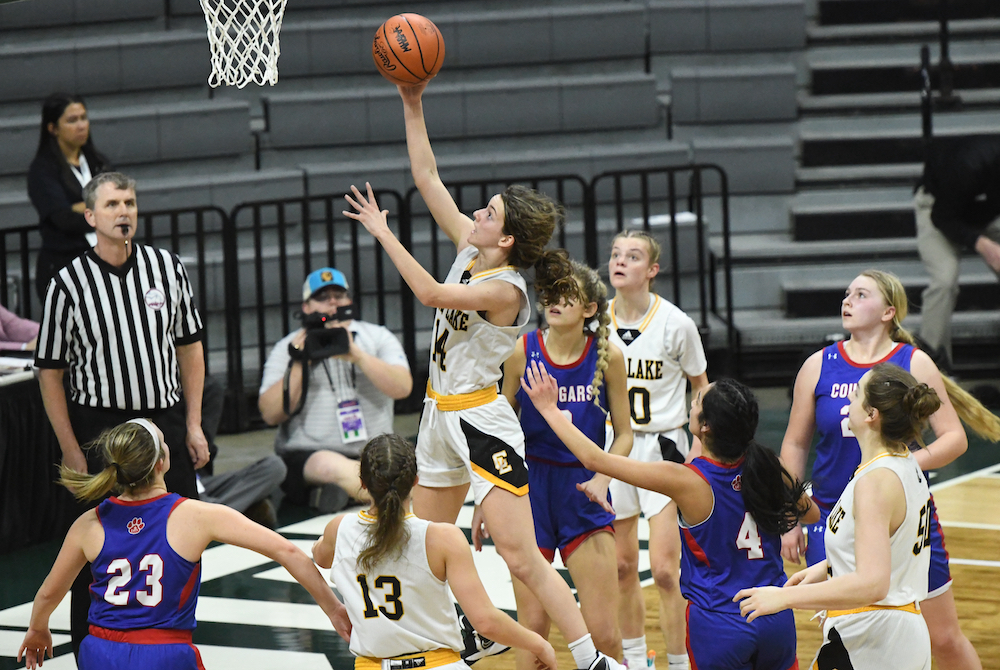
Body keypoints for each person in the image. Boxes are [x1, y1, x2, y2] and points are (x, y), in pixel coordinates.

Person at [342, 80, 623, 670]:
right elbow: (427, 178)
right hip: (437, 414)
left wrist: (383, 232)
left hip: (480, 419)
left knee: (523, 559)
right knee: (420, 541)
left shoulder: (505, 288)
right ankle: (468, 632)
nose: (476, 212)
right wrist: (411, 101)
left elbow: (425, 292)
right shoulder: (473, 250)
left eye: (488, 212)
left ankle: (593, 658)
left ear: (509, 237)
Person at [520, 364, 813, 670]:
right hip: (775, 616)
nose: (692, 402)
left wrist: (549, 409)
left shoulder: (687, 481)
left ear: (706, 427)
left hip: (721, 622)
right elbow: (811, 512)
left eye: (697, 400)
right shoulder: (768, 467)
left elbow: (595, 459)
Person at [780, 269, 1000, 670]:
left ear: (888, 311)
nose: (847, 300)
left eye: (861, 294)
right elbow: (795, 443)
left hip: (900, 516)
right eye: (847, 293)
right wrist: (789, 516)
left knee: (944, 636)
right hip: (834, 515)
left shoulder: (911, 361)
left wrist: (896, 468)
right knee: (846, 632)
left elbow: (954, 438)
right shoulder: (819, 364)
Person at [34, 171, 210, 658]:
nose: (124, 212)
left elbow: (190, 346)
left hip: (165, 421)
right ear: (91, 217)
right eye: (112, 204)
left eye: (129, 202)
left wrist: (193, 423)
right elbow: (49, 370)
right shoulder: (67, 283)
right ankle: (85, 647)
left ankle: (171, 641)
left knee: (180, 537)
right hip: (102, 429)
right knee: (94, 549)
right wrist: (70, 446)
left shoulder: (167, 268)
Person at [17, 419, 351, 670]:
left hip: (99, 651)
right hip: (164, 653)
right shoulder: (196, 515)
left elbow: (48, 593)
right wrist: (334, 609)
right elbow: (287, 551)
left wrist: (38, 628)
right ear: (162, 462)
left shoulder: (89, 523)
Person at [737, 364, 942, 670]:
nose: (847, 403)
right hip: (890, 633)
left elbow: (873, 584)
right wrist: (828, 567)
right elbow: (890, 546)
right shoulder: (903, 463)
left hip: (875, 637)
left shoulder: (875, 482)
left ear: (871, 415)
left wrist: (784, 599)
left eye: (856, 393)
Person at [312, 433, 557, 670]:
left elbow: (320, 558)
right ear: (416, 480)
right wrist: (538, 643)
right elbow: (485, 621)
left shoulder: (339, 529)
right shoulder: (442, 538)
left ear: (363, 483)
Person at [496, 256, 632, 668]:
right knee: (533, 637)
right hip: (530, 491)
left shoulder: (609, 357)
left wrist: (605, 479)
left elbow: (625, 434)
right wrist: (492, 494)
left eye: (567, 294)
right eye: (550, 294)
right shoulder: (523, 350)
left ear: (590, 309)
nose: (555, 301)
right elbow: (499, 428)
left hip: (582, 489)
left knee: (604, 634)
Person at [605, 230, 709, 670]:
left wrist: (700, 451)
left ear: (652, 270)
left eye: (633, 255)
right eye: (615, 254)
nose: (620, 261)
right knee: (624, 568)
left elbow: (702, 388)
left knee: (666, 572)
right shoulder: (596, 321)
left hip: (665, 447)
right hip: (614, 447)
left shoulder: (676, 324)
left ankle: (679, 661)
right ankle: (632, 660)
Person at [258, 266, 413, 513]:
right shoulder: (288, 347)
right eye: (321, 298)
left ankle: (349, 493)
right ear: (306, 307)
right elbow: (270, 413)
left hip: (373, 451)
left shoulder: (376, 337)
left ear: (349, 301)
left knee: (404, 461)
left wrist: (358, 356)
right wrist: (300, 362)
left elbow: (403, 387)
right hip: (310, 454)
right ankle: (388, 494)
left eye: (338, 296)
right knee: (329, 466)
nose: (332, 303)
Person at [914, 134, 1000, 369]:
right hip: (938, 208)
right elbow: (942, 217)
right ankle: (931, 369)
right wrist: (983, 245)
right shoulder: (969, 164)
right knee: (944, 280)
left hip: (981, 211)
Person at [28, 93, 111, 300]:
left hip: (105, 263)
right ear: (53, 128)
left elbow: (120, 204)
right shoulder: (43, 170)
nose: (81, 125)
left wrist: (80, 206)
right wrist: (103, 210)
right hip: (65, 267)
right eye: (72, 120)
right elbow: (63, 218)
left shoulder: (98, 162)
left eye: (83, 118)